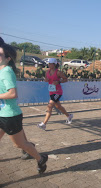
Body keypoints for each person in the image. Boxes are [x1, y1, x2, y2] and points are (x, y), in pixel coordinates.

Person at [0, 42, 48, 174]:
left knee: (19, 144)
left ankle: (40, 158)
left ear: (8, 58)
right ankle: (31, 149)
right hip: (2, 114)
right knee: (20, 144)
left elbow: (13, 94)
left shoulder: (6, 72)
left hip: (9, 116)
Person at [37, 58, 73, 130]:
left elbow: (65, 79)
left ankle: (44, 124)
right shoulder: (47, 72)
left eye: (51, 63)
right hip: (51, 91)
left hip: (57, 92)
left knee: (50, 106)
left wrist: (58, 82)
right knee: (58, 106)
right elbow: (47, 79)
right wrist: (46, 80)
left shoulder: (58, 72)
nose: (49, 65)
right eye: (49, 63)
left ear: (55, 64)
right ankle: (69, 116)